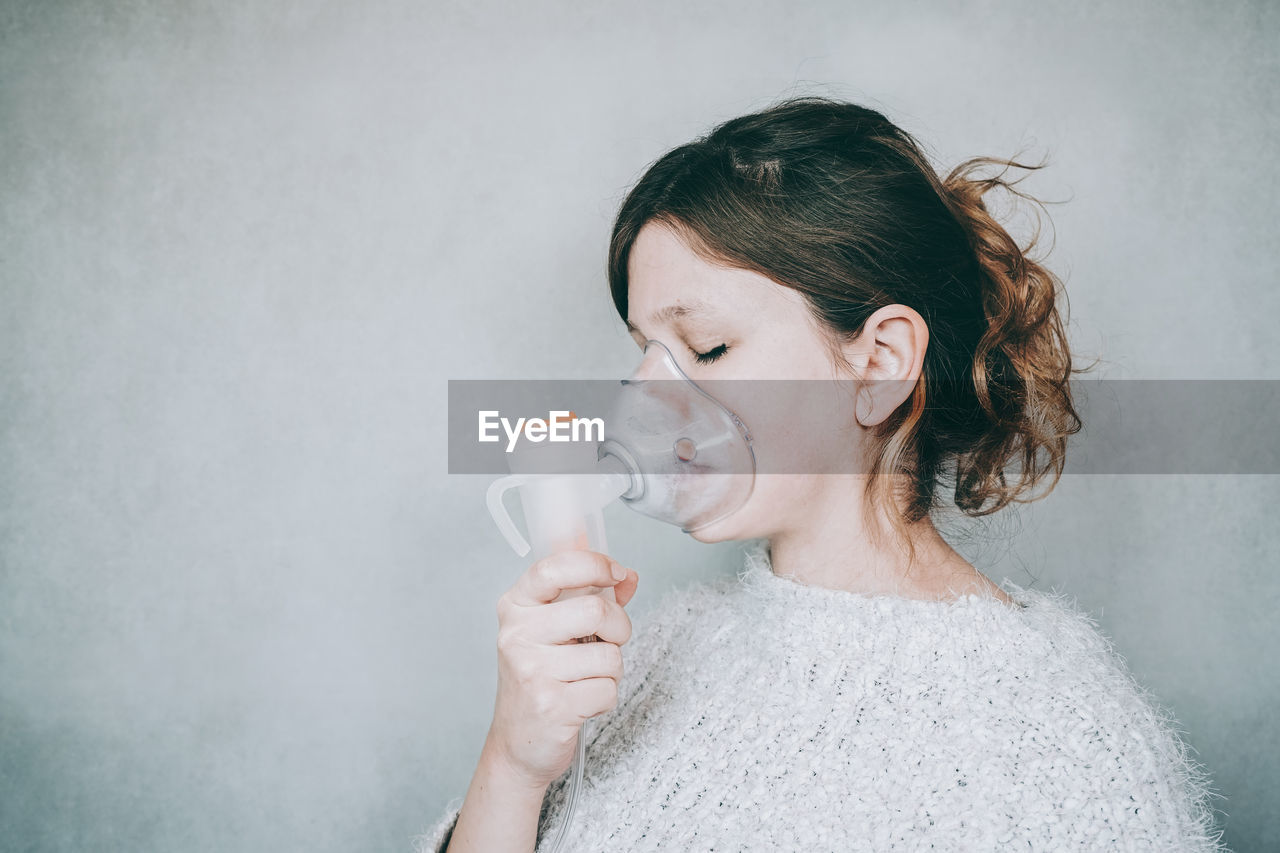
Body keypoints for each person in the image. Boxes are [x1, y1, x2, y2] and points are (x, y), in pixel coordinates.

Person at [417, 96, 1226, 851]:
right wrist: (514, 764)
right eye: (645, 353)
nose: (647, 403)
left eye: (707, 348)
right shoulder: (659, 655)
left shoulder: (1069, 753)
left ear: (879, 363)